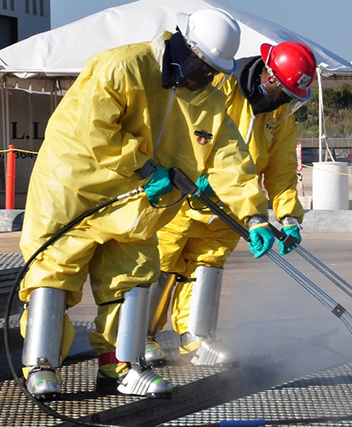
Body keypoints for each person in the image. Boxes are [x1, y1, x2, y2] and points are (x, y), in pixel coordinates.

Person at [19, 8, 275, 401]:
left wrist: (254, 214)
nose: (203, 78)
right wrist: (142, 166)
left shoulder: (204, 96)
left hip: (137, 201)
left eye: (211, 72)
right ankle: (41, 364)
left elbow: (229, 156)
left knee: (134, 274)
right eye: (201, 67)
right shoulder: (121, 67)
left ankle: (120, 367)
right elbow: (93, 130)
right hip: (72, 188)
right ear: (183, 46)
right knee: (55, 269)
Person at [144, 41, 317, 367]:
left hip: (234, 206)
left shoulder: (278, 115)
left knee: (207, 265)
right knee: (162, 262)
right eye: (286, 94)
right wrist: (196, 171)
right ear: (269, 77)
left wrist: (289, 217)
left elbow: (280, 170)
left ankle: (196, 337)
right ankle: (142, 336)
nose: (287, 102)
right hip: (183, 197)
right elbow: (183, 126)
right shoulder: (218, 84)